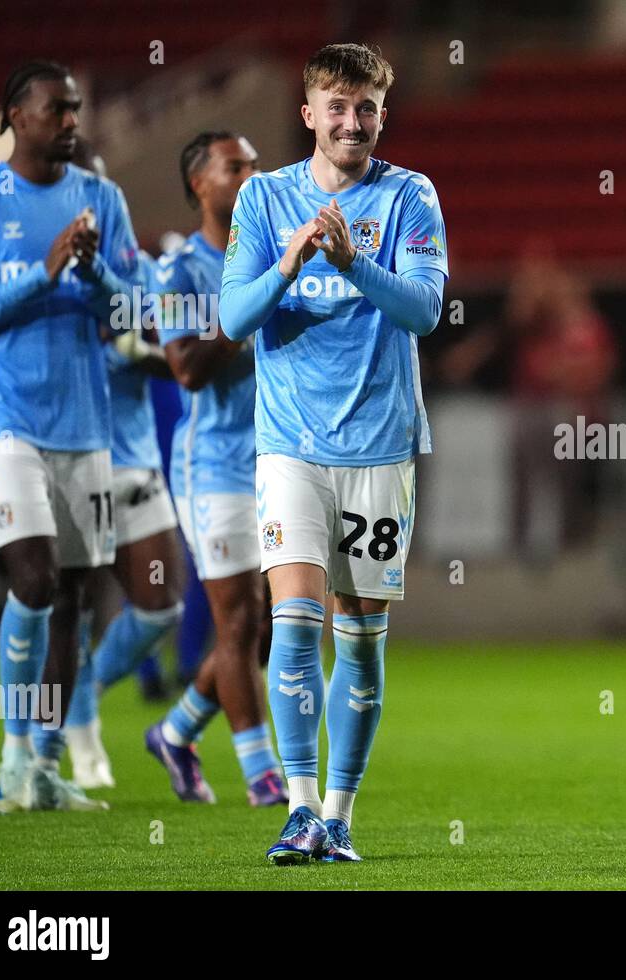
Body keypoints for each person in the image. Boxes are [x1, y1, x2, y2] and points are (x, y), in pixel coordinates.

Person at [219, 43, 448, 862]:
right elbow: (236, 319)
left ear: (381, 116)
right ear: (308, 113)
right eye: (336, 107)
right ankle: (301, 807)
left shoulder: (410, 195)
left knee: (358, 638)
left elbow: (423, 310)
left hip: (380, 447)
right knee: (294, 621)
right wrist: (287, 263)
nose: (351, 123)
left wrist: (355, 262)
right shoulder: (265, 198)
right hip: (290, 448)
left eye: (367, 109)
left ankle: (342, 815)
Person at [0, 60, 143, 812]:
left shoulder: (103, 198)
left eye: (75, 110)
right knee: (32, 579)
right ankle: (9, 761)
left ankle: (42, 761)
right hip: (5, 420)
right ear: (15, 116)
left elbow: (134, 313)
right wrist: (45, 272)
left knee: (71, 596)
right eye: (56, 110)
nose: (71, 122)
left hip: (85, 424)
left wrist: (98, 279)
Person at [146, 129, 288, 806]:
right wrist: (252, 303)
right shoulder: (178, 271)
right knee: (236, 624)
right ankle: (264, 779)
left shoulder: (280, 251)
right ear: (199, 183)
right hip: (217, 466)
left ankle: (176, 732)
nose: (252, 176)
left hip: (285, 462)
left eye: (257, 165)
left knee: (270, 629)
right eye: (237, 167)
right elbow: (186, 370)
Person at [55, 139, 185, 791]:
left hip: (134, 455)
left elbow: (163, 341)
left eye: (101, 192)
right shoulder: (39, 267)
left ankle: (84, 697)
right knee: (70, 604)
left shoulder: (130, 264)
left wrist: (145, 351)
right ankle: (71, 739)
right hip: (68, 453)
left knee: (160, 607)